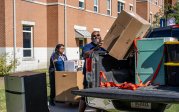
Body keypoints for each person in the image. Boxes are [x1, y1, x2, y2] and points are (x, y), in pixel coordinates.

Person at [79, 31, 105, 112]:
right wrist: (95, 48)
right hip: (90, 75)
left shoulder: (104, 47)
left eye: (98, 35)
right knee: (86, 93)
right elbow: (85, 54)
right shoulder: (87, 46)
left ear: (100, 36)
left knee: (101, 94)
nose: (96, 37)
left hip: (102, 74)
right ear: (91, 38)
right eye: (94, 36)